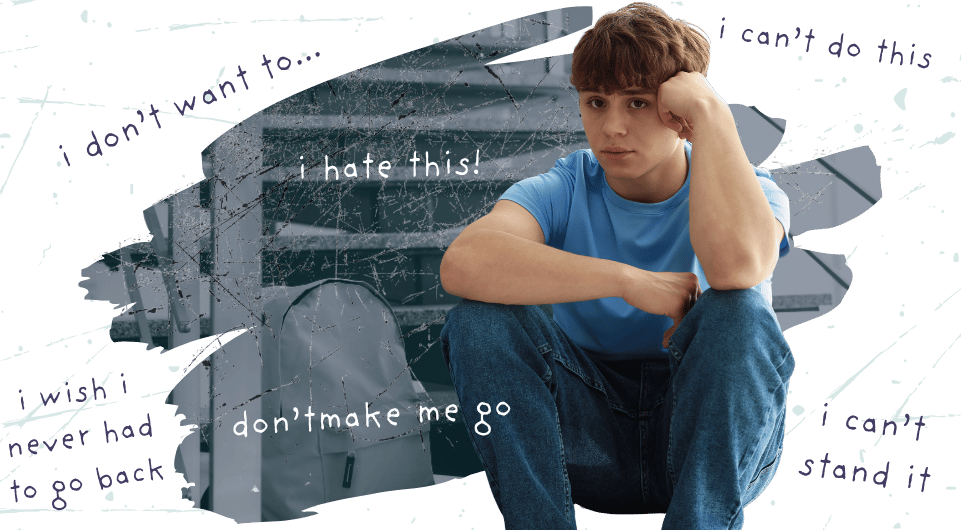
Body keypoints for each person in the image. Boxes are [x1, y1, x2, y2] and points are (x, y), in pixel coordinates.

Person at [438, 2, 795, 529]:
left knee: (739, 311)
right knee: (479, 321)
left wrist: (713, 114)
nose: (612, 127)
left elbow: (739, 270)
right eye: (597, 101)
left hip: (707, 453)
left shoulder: (753, 188)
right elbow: (463, 263)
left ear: (682, 109)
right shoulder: (566, 185)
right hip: (588, 443)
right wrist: (626, 281)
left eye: (638, 103)